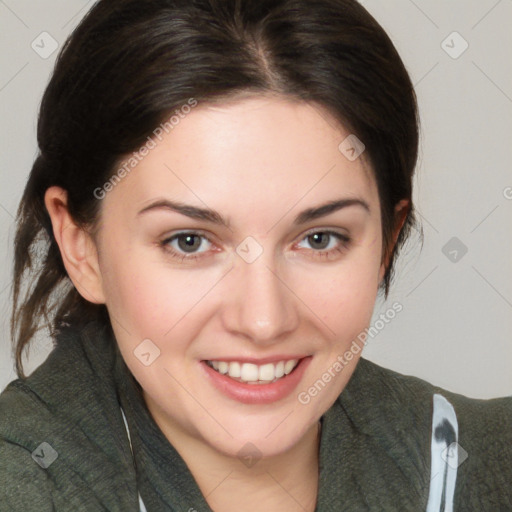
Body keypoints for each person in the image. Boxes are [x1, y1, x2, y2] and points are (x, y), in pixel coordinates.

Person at [0, 0, 510, 510]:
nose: (264, 321)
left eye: (319, 238)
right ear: (81, 247)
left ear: (387, 240)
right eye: (189, 241)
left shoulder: (486, 464)